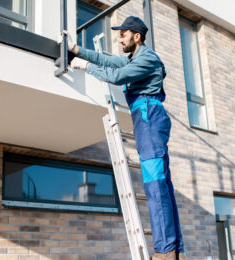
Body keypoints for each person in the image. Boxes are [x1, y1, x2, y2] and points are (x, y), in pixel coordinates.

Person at [66, 16, 185, 260]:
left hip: (149, 117)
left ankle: (165, 251)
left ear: (137, 36)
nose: (119, 38)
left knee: (155, 186)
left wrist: (85, 67)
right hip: (147, 117)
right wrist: (78, 50)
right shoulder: (135, 57)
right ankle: (174, 250)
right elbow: (108, 60)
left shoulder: (148, 58)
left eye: (123, 34)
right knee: (161, 186)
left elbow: (118, 76)